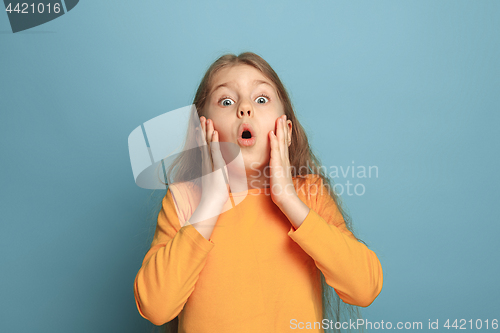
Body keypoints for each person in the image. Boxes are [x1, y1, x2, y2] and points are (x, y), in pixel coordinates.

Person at [133, 52, 383, 333]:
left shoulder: (309, 194)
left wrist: (288, 199)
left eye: (261, 99)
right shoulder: (185, 199)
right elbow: (156, 307)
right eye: (226, 101)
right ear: (201, 131)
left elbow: (364, 288)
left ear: (285, 131)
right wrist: (212, 201)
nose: (245, 108)